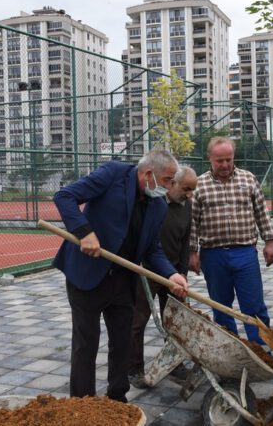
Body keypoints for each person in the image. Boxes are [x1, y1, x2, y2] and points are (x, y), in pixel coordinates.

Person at [52, 150, 189, 403]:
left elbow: (153, 250)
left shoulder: (158, 205)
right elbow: (64, 196)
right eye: (168, 180)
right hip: (88, 274)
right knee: (86, 343)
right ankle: (83, 404)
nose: (171, 186)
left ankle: (117, 399)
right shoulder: (113, 174)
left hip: (123, 280)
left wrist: (172, 274)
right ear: (149, 175)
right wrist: (84, 232)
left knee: (122, 340)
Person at [189, 137, 273, 346]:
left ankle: (261, 349)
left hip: (245, 252)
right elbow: (192, 221)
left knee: (254, 304)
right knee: (221, 306)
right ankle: (230, 348)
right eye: (219, 160)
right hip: (213, 254)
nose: (225, 165)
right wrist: (192, 252)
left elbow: (261, 213)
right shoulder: (199, 185)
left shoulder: (248, 179)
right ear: (209, 158)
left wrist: (270, 241)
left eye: (228, 159)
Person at [128, 165, 197, 388]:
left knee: (175, 321)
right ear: (172, 183)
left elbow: (185, 242)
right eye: (186, 188)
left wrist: (182, 272)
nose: (190, 194)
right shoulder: (152, 204)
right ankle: (134, 369)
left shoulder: (186, 206)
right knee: (138, 322)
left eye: (192, 190)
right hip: (146, 272)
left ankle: (174, 365)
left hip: (174, 274)